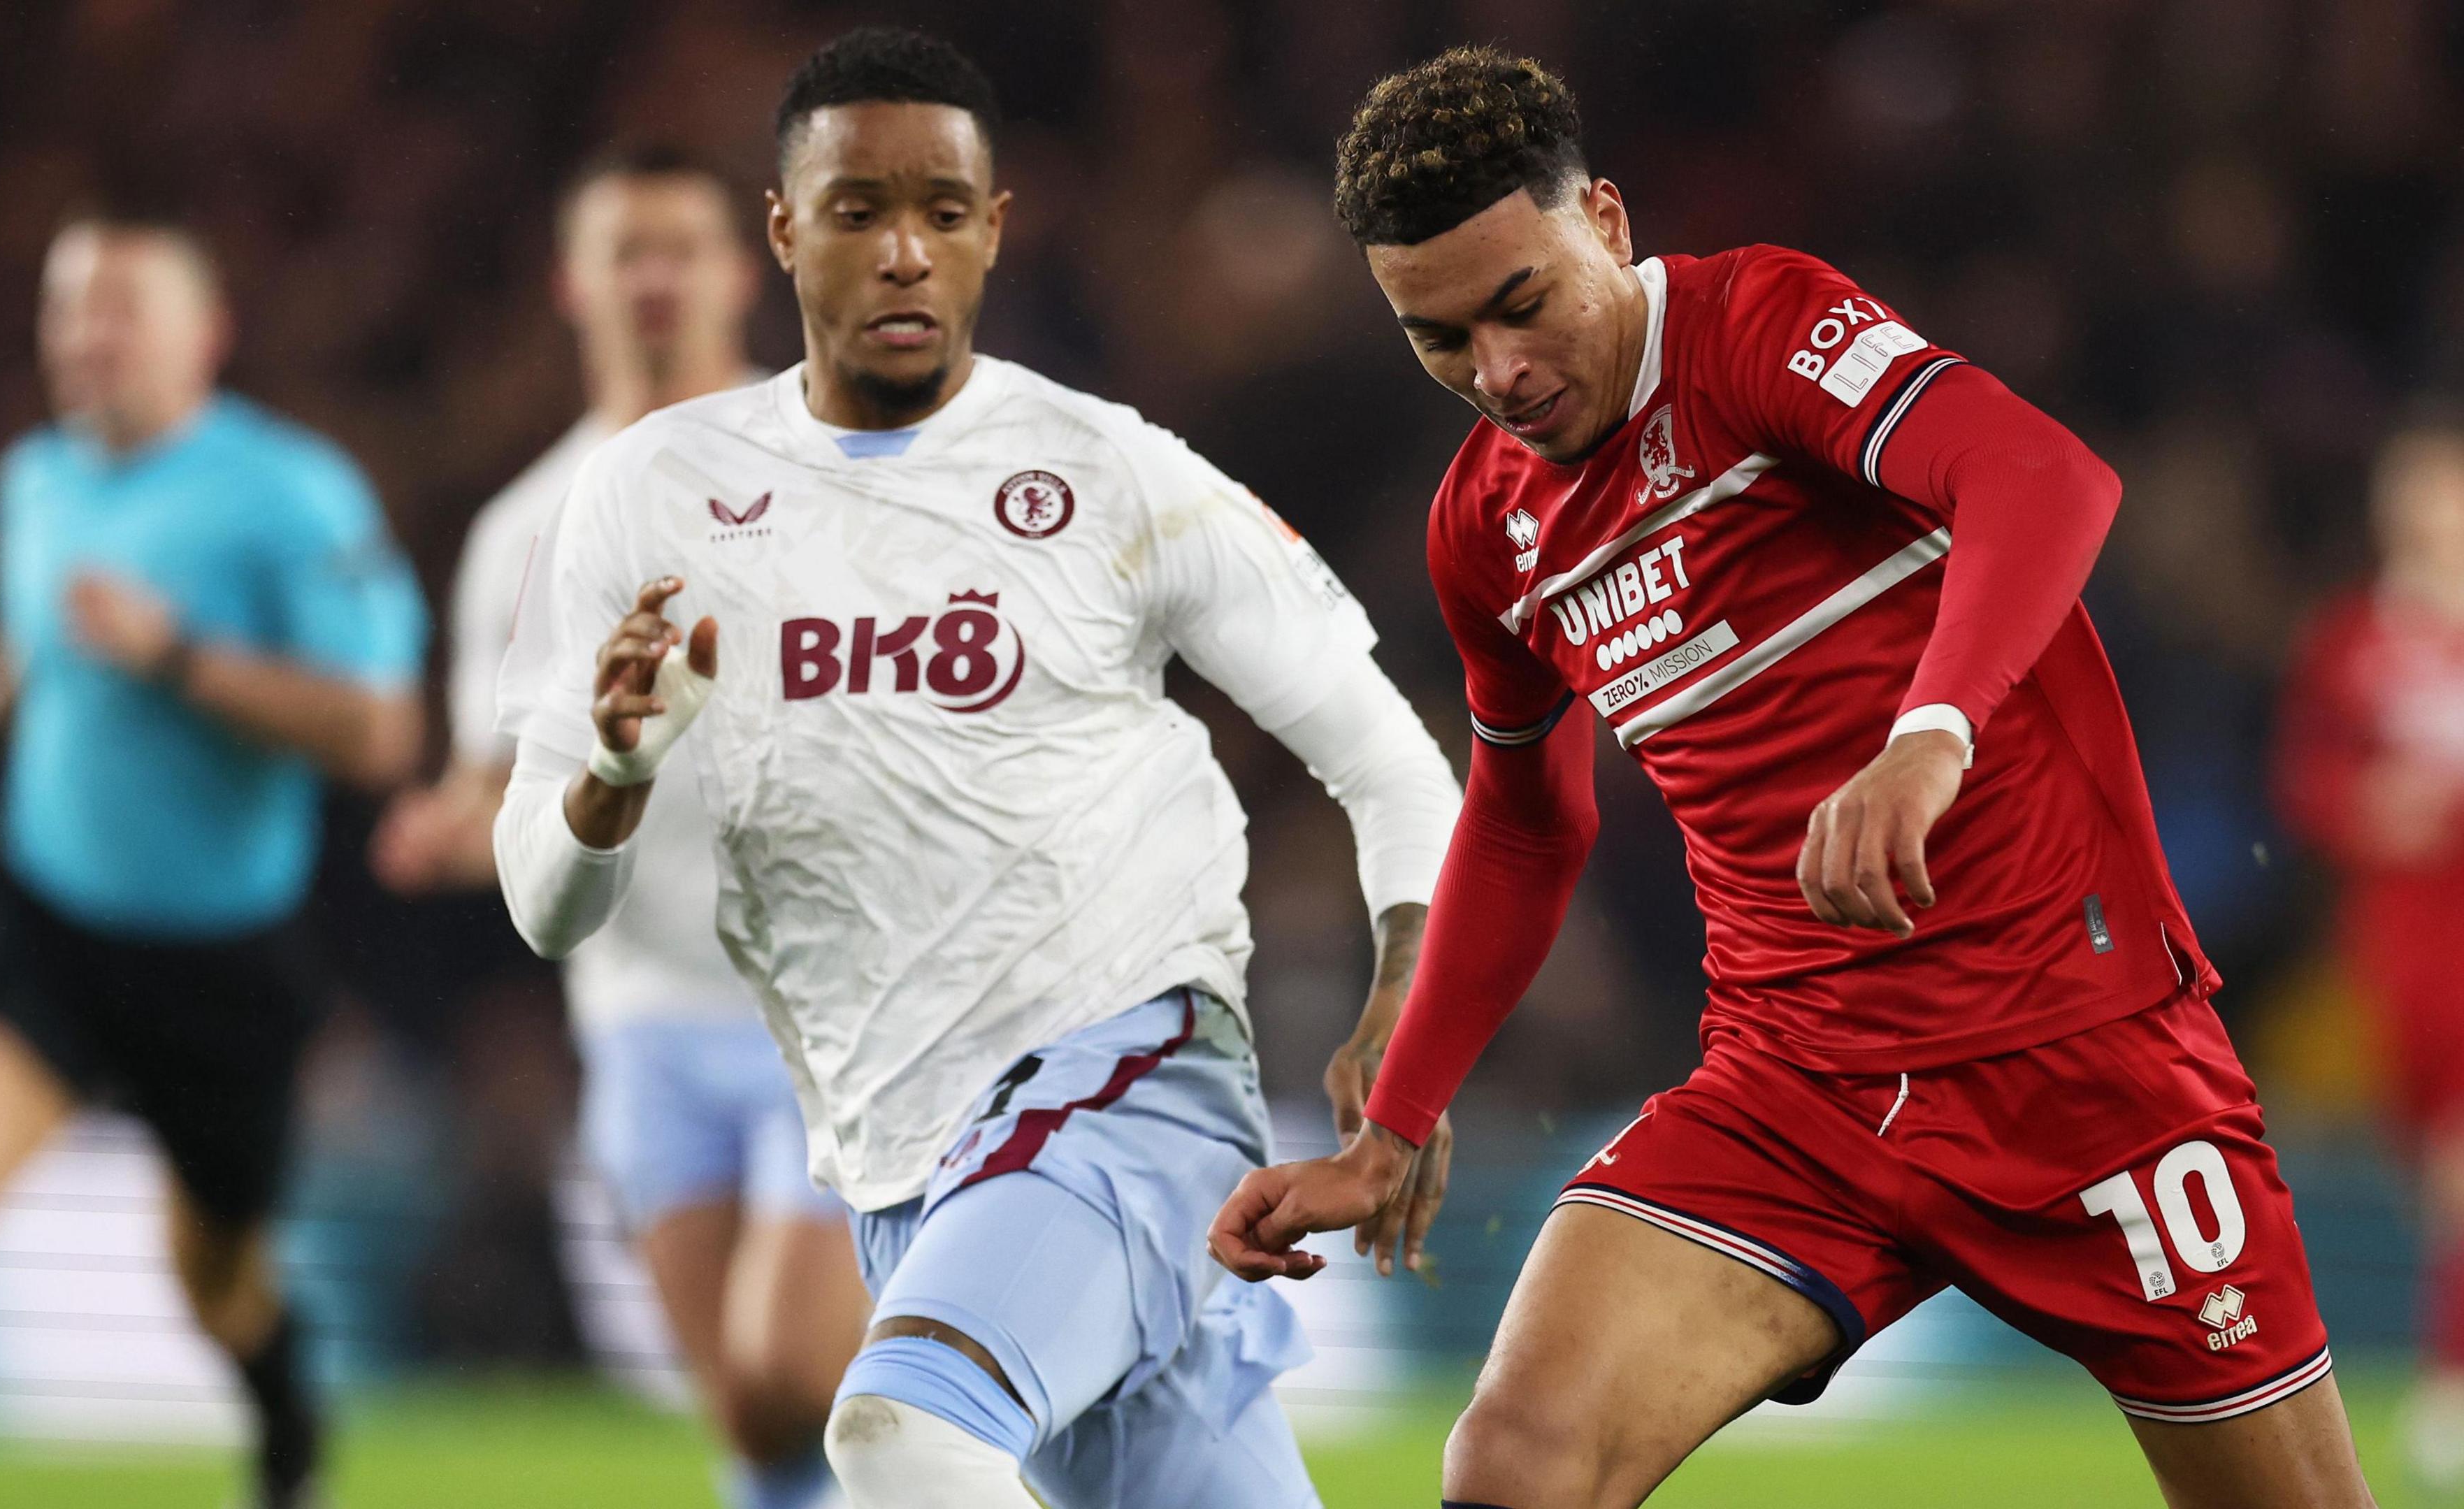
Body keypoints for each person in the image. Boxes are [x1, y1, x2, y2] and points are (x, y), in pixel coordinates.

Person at [1209, 45, 2377, 1509]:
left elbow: (2043, 478)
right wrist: (1394, 1128)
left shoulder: (1758, 326)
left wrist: (1927, 735)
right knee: (1515, 1462)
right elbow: (1525, 822)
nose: (1498, 374)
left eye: (1523, 303)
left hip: (2085, 1066)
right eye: (1438, 338)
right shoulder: (1487, 529)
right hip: (1796, 1090)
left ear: (1610, 226)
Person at [491, 27, 1463, 1509]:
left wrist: (1408, 1007)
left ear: (994, 231)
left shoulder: (1109, 470)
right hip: (900, 1163)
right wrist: (613, 774)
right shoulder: (652, 497)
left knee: (902, 1432)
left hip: (1120, 1083)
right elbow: (542, 905)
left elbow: (1392, 760)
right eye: (857, 211)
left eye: (942, 212)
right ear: (783, 229)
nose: (902, 253)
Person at [0, 212, 428, 1509]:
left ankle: (285, 1423)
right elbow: (31, 649)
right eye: (66, 311)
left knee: (214, 1282)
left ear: (204, 336)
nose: (82, 339)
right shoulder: (35, 479)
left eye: (119, 311)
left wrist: (180, 659)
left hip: (219, 961)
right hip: (42, 921)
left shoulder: (292, 494)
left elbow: (383, 730)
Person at [368, 143, 869, 1509]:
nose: (652, 279)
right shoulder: (525, 531)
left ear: (737, 270)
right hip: (642, 1021)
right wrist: (453, 832)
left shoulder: (836, 476)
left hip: (828, 1011)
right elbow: (503, 782)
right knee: (754, 1433)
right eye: (621, 251)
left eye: (677, 249)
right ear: (572, 284)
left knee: (789, 1373)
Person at [2275, 417, 2464, 1493]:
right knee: (2433, 1173)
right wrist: (2368, 807)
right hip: (2401, 947)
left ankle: (2450, 1384)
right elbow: (2305, 783)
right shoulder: (2357, 639)